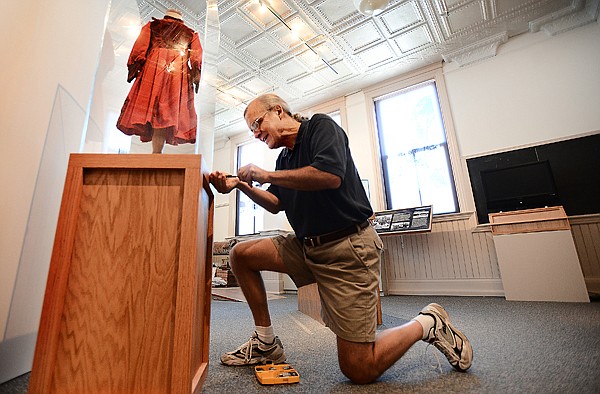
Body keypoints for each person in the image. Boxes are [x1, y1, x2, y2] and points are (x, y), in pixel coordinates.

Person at [209, 93, 473, 384]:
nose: (255, 133)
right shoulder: (284, 159)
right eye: (251, 131)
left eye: (257, 124)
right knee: (241, 254)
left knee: (359, 368)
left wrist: (263, 173)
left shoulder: (320, 128)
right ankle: (266, 344)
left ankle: (427, 323)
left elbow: (329, 176)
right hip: (308, 247)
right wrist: (241, 185)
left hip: (348, 249)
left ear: (279, 110)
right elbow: (275, 202)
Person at [117, 9, 202, 153]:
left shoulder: (152, 26)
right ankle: (157, 151)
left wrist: (135, 66)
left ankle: (156, 151)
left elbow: (139, 49)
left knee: (159, 110)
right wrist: (195, 74)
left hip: (155, 70)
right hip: (176, 74)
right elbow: (196, 58)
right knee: (166, 112)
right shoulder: (191, 34)